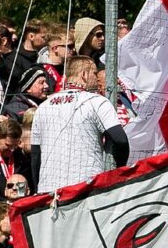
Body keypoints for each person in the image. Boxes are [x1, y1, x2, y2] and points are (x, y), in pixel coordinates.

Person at [31, 57, 128, 193]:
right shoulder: (96, 101)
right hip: (86, 186)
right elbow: (121, 140)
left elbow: (35, 154)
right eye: (94, 73)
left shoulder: (42, 107)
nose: (97, 79)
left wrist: (38, 188)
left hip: (49, 189)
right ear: (84, 75)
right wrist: (120, 170)